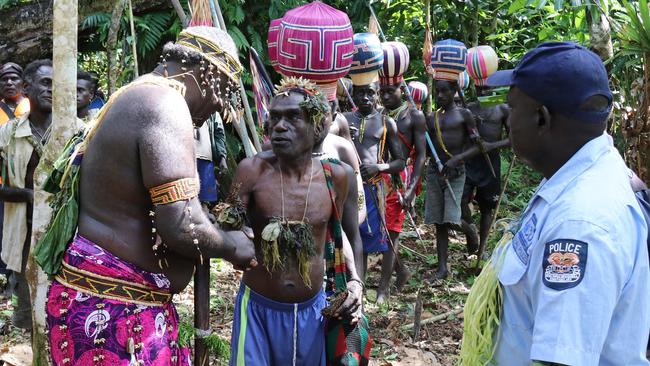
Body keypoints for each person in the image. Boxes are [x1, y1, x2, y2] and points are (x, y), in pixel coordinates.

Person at [44, 27, 257, 365]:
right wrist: (233, 245)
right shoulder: (165, 105)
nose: (218, 108)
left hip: (105, 301)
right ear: (207, 73)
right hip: (112, 313)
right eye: (222, 93)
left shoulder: (137, 93)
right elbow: (182, 225)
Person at [476, 41, 649, 365]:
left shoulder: (580, 223)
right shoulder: (574, 178)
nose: (508, 121)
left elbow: (561, 359)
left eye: (513, 109)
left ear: (541, 119)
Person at [228, 77, 363, 365]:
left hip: (312, 314)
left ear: (317, 126)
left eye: (292, 117)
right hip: (257, 311)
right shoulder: (251, 171)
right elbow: (226, 227)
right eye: (275, 117)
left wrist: (355, 282)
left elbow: (347, 235)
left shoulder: (337, 177)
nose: (279, 126)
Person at [0, 59, 62, 330]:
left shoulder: (73, 133)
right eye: (45, 83)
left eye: (56, 85)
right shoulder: (8, 134)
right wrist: (32, 196)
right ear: (27, 87)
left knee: (62, 311)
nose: (51, 90)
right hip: (23, 233)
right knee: (28, 312)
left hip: (64, 234)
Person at [344, 81, 405, 281]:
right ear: (353, 93)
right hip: (347, 187)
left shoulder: (386, 122)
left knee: (366, 237)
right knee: (350, 235)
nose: (365, 98)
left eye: (369, 93)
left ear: (376, 94)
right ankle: (355, 285)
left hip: (372, 188)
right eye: (360, 93)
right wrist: (346, 137)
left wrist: (378, 167)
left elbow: (400, 162)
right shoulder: (344, 120)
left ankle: (361, 285)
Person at [377, 71, 427, 303]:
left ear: (401, 90)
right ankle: (402, 270)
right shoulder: (378, 115)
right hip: (379, 174)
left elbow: (421, 156)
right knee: (380, 229)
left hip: (401, 176)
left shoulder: (414, 116)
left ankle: (382, 289)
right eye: (382, 92)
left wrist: (411, 189)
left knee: (392, 232)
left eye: (390, 91)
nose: (385, 96)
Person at [424, 79, 478, 279]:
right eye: (437, 92)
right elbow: (429, 148)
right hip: (435, 172)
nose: (439, 96)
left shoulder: (465, 115)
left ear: (455, 90)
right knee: (439, 222)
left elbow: (477, 145)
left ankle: (470, 232)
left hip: (456, 172)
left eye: (444, 92)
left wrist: (457, 159)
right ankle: (443, 268)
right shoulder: (432, 117)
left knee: (452, 218)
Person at [459, 90, 510, 256]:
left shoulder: (502, 109)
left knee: (487, 208)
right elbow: (458, 135)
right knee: (459, 201)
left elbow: (513, 139)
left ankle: (481, 251)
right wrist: (468, 126)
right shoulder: (469, 108)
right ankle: (471, 233)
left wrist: (492, 146)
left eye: (486, 86)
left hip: (490, 164)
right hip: (469, 161)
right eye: (479, 87)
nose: (483, 91)